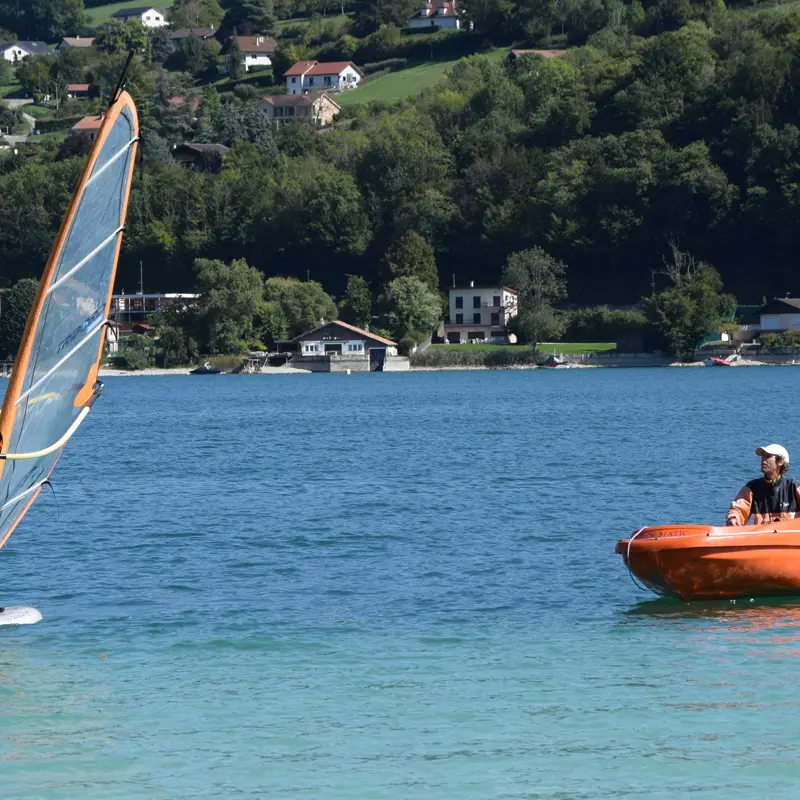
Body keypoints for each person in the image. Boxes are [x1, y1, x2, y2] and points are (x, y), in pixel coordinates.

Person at [726, 444, 800, 526]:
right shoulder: (752, 488)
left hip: (790, 536)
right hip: (763, 536)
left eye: (768, 457)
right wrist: (733, 518)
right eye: (763, 457)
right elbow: (739, 509)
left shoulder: (794, 487)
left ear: (780, 462)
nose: (763, 460)